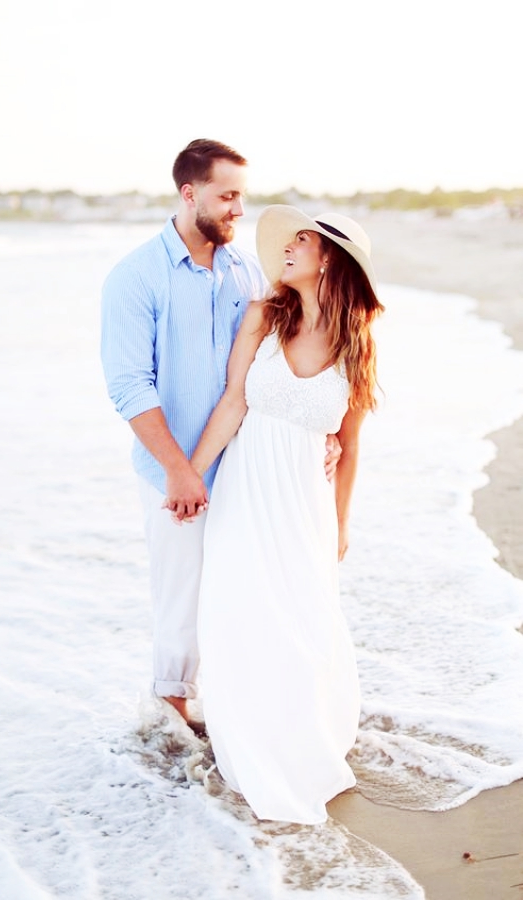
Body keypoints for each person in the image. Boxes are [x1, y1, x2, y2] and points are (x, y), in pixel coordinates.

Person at [101, 141, 340, 730]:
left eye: (241, 196)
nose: (238, 209)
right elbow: (131, 388)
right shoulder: (135, 277)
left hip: (247, 467)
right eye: (227, 195)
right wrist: (180, 470)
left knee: (241, 590)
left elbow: (281, 355)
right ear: (190, 194)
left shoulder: (246, 273)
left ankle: (240, 709)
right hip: (174, 466)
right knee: (180, 596)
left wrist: (320, 424)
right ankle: (172, 723)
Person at [186, 205, 384, 823]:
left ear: (331, 259)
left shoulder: (358, 344)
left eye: (303, 241)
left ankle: (300, 736)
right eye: (292, 240)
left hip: (306, 505)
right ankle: (249, 736)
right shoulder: (262, 317)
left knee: (303, 621)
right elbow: (231, 404)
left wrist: (343, 523)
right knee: (242, 611)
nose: (288, 250)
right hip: (247, 491)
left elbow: (349, 445)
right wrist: (190, 475)